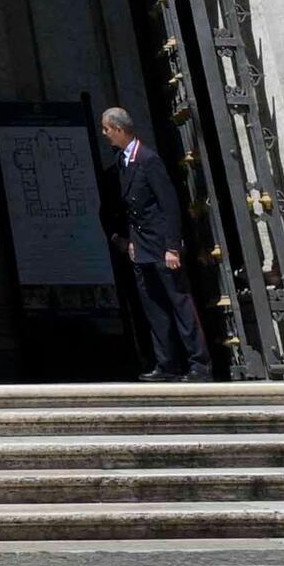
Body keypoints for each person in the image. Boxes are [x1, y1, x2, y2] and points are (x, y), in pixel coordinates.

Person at [99, 107, 205, 380]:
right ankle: (167, 364)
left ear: (119, 129)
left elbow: (168, 205)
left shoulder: (148, 159)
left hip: (161, 247)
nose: (105, 134)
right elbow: (129, 211)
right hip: (141, 248)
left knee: (180, 304)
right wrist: (128, 241)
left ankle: (199, 365)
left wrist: (172, 247)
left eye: (107, 129)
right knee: (155, 309)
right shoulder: (122, 162)